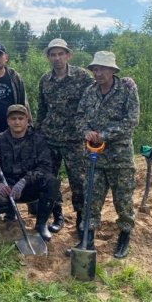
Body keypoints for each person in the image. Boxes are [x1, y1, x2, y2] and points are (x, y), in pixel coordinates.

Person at [76, 50, 140, 258]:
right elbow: (79, 117)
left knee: (123, 200)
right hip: (94, 158)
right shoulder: (89, 92)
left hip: (119, 158)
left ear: (113, 70)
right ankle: (88, 237)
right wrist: (85, 131)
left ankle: (124, 236)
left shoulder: (127, 89)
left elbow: (131, 121)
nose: (98, 72)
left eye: (102, 68)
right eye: (95, 68)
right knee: (91, 199)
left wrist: (104, 135)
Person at [36, 38, 93, 235]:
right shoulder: (45, 80)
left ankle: (80, 219)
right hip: (50, 139)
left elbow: (94, 102)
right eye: (53, 54)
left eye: (61, 54)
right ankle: (57, 216)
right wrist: (38, 133)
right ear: (48, 57)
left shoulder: (83, 77)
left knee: (79, 181)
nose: (57, 58)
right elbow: (41, 110)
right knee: (50, 181)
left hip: (75, 140)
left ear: (68, 55)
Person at [0, 105, 58, 241]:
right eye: (13, 118)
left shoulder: (38, 140)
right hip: (7, 187)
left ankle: (41, 225)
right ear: (8, 121)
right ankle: (10, 214)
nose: (17, 122)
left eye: (21, 118)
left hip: (29, 186)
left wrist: (24, 181)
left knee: (51, 182)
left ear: (27, 120)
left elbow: (45, 166)